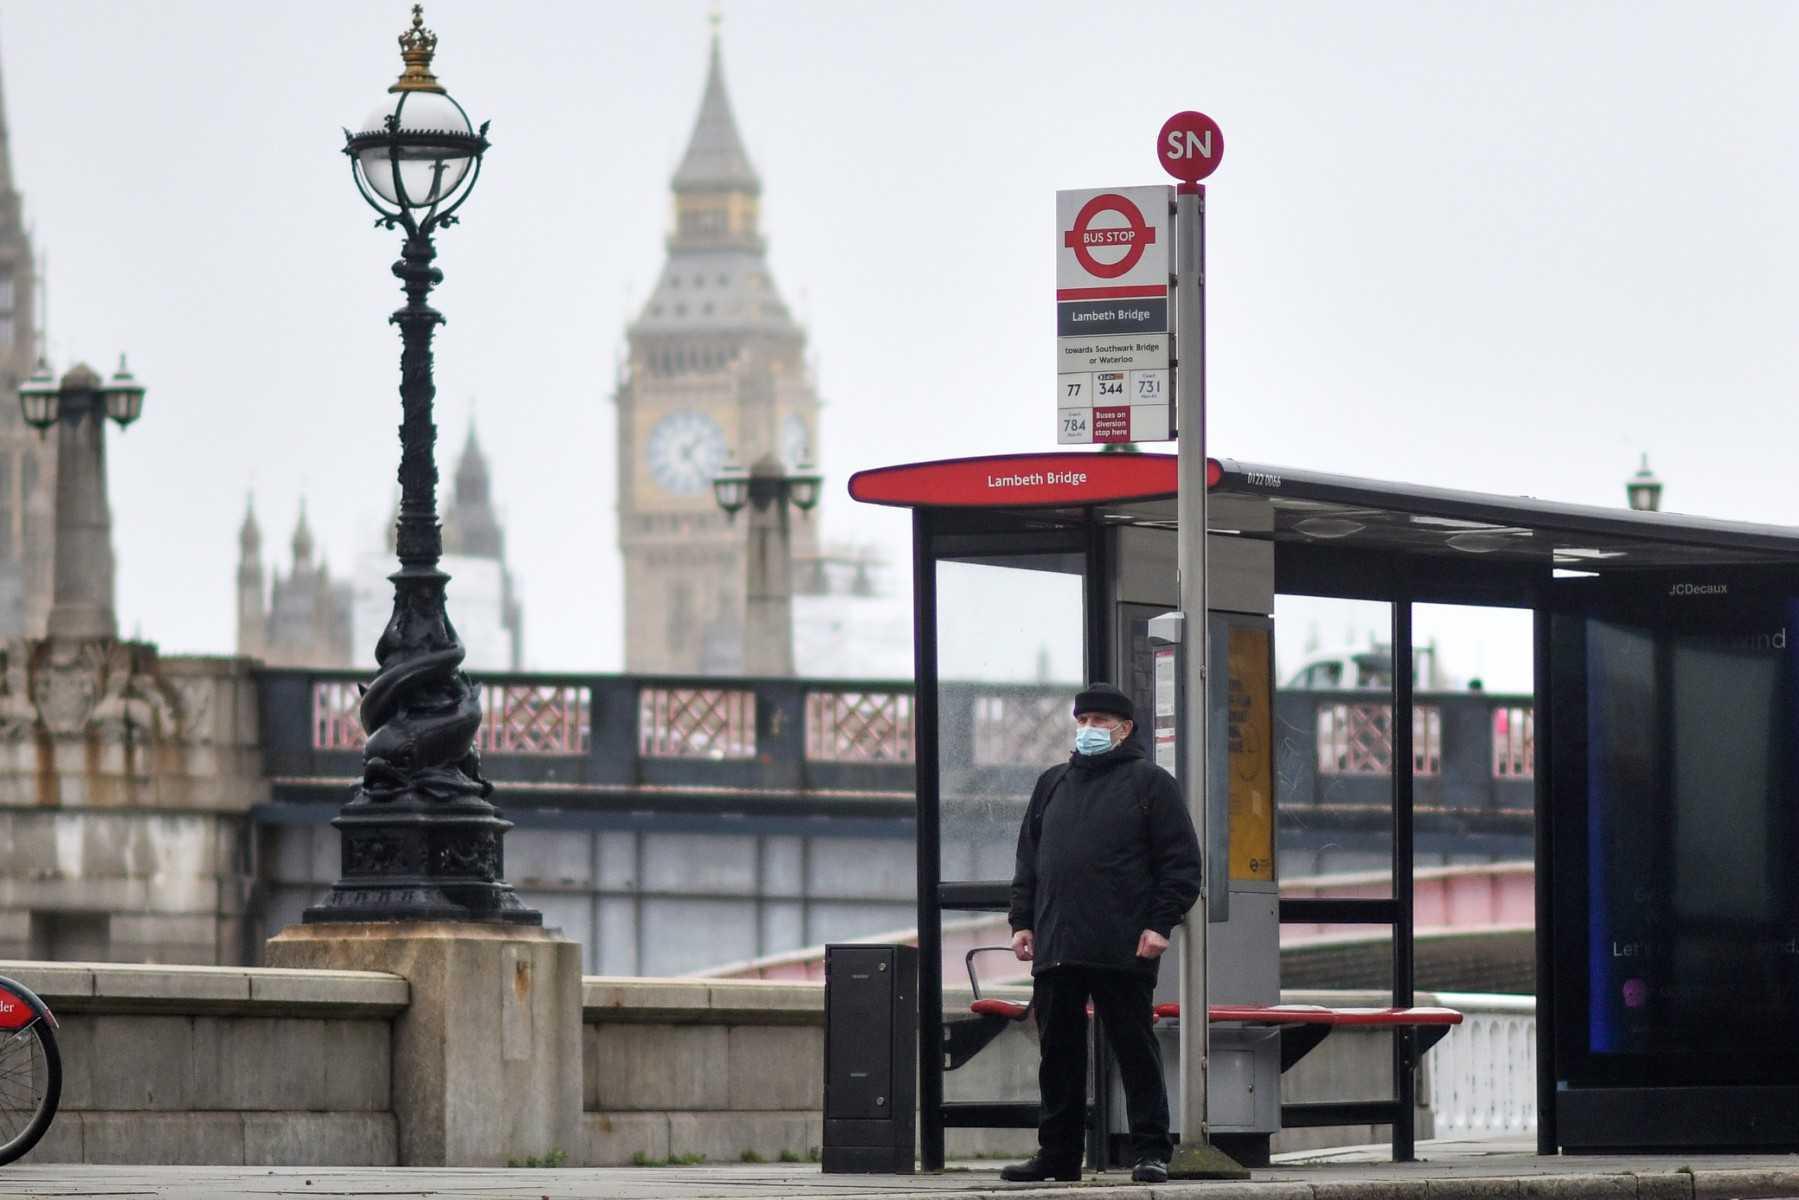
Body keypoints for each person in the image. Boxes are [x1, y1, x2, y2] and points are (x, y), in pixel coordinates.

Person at [1000, 682, 1203, 1185]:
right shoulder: (1052, 783)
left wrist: (1160, 924)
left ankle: (1151, 1151)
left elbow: (1181, 865)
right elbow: (1029, 860)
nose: (1089, 729)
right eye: (1083, 720)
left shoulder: (1151, 784)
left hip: (1123, 943)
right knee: (1059, 1055)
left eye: (1100, 721)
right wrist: (1021, 920)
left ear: (1125, 729)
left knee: (1134, 1049)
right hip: (1058, 941)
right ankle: (1058, 1155)